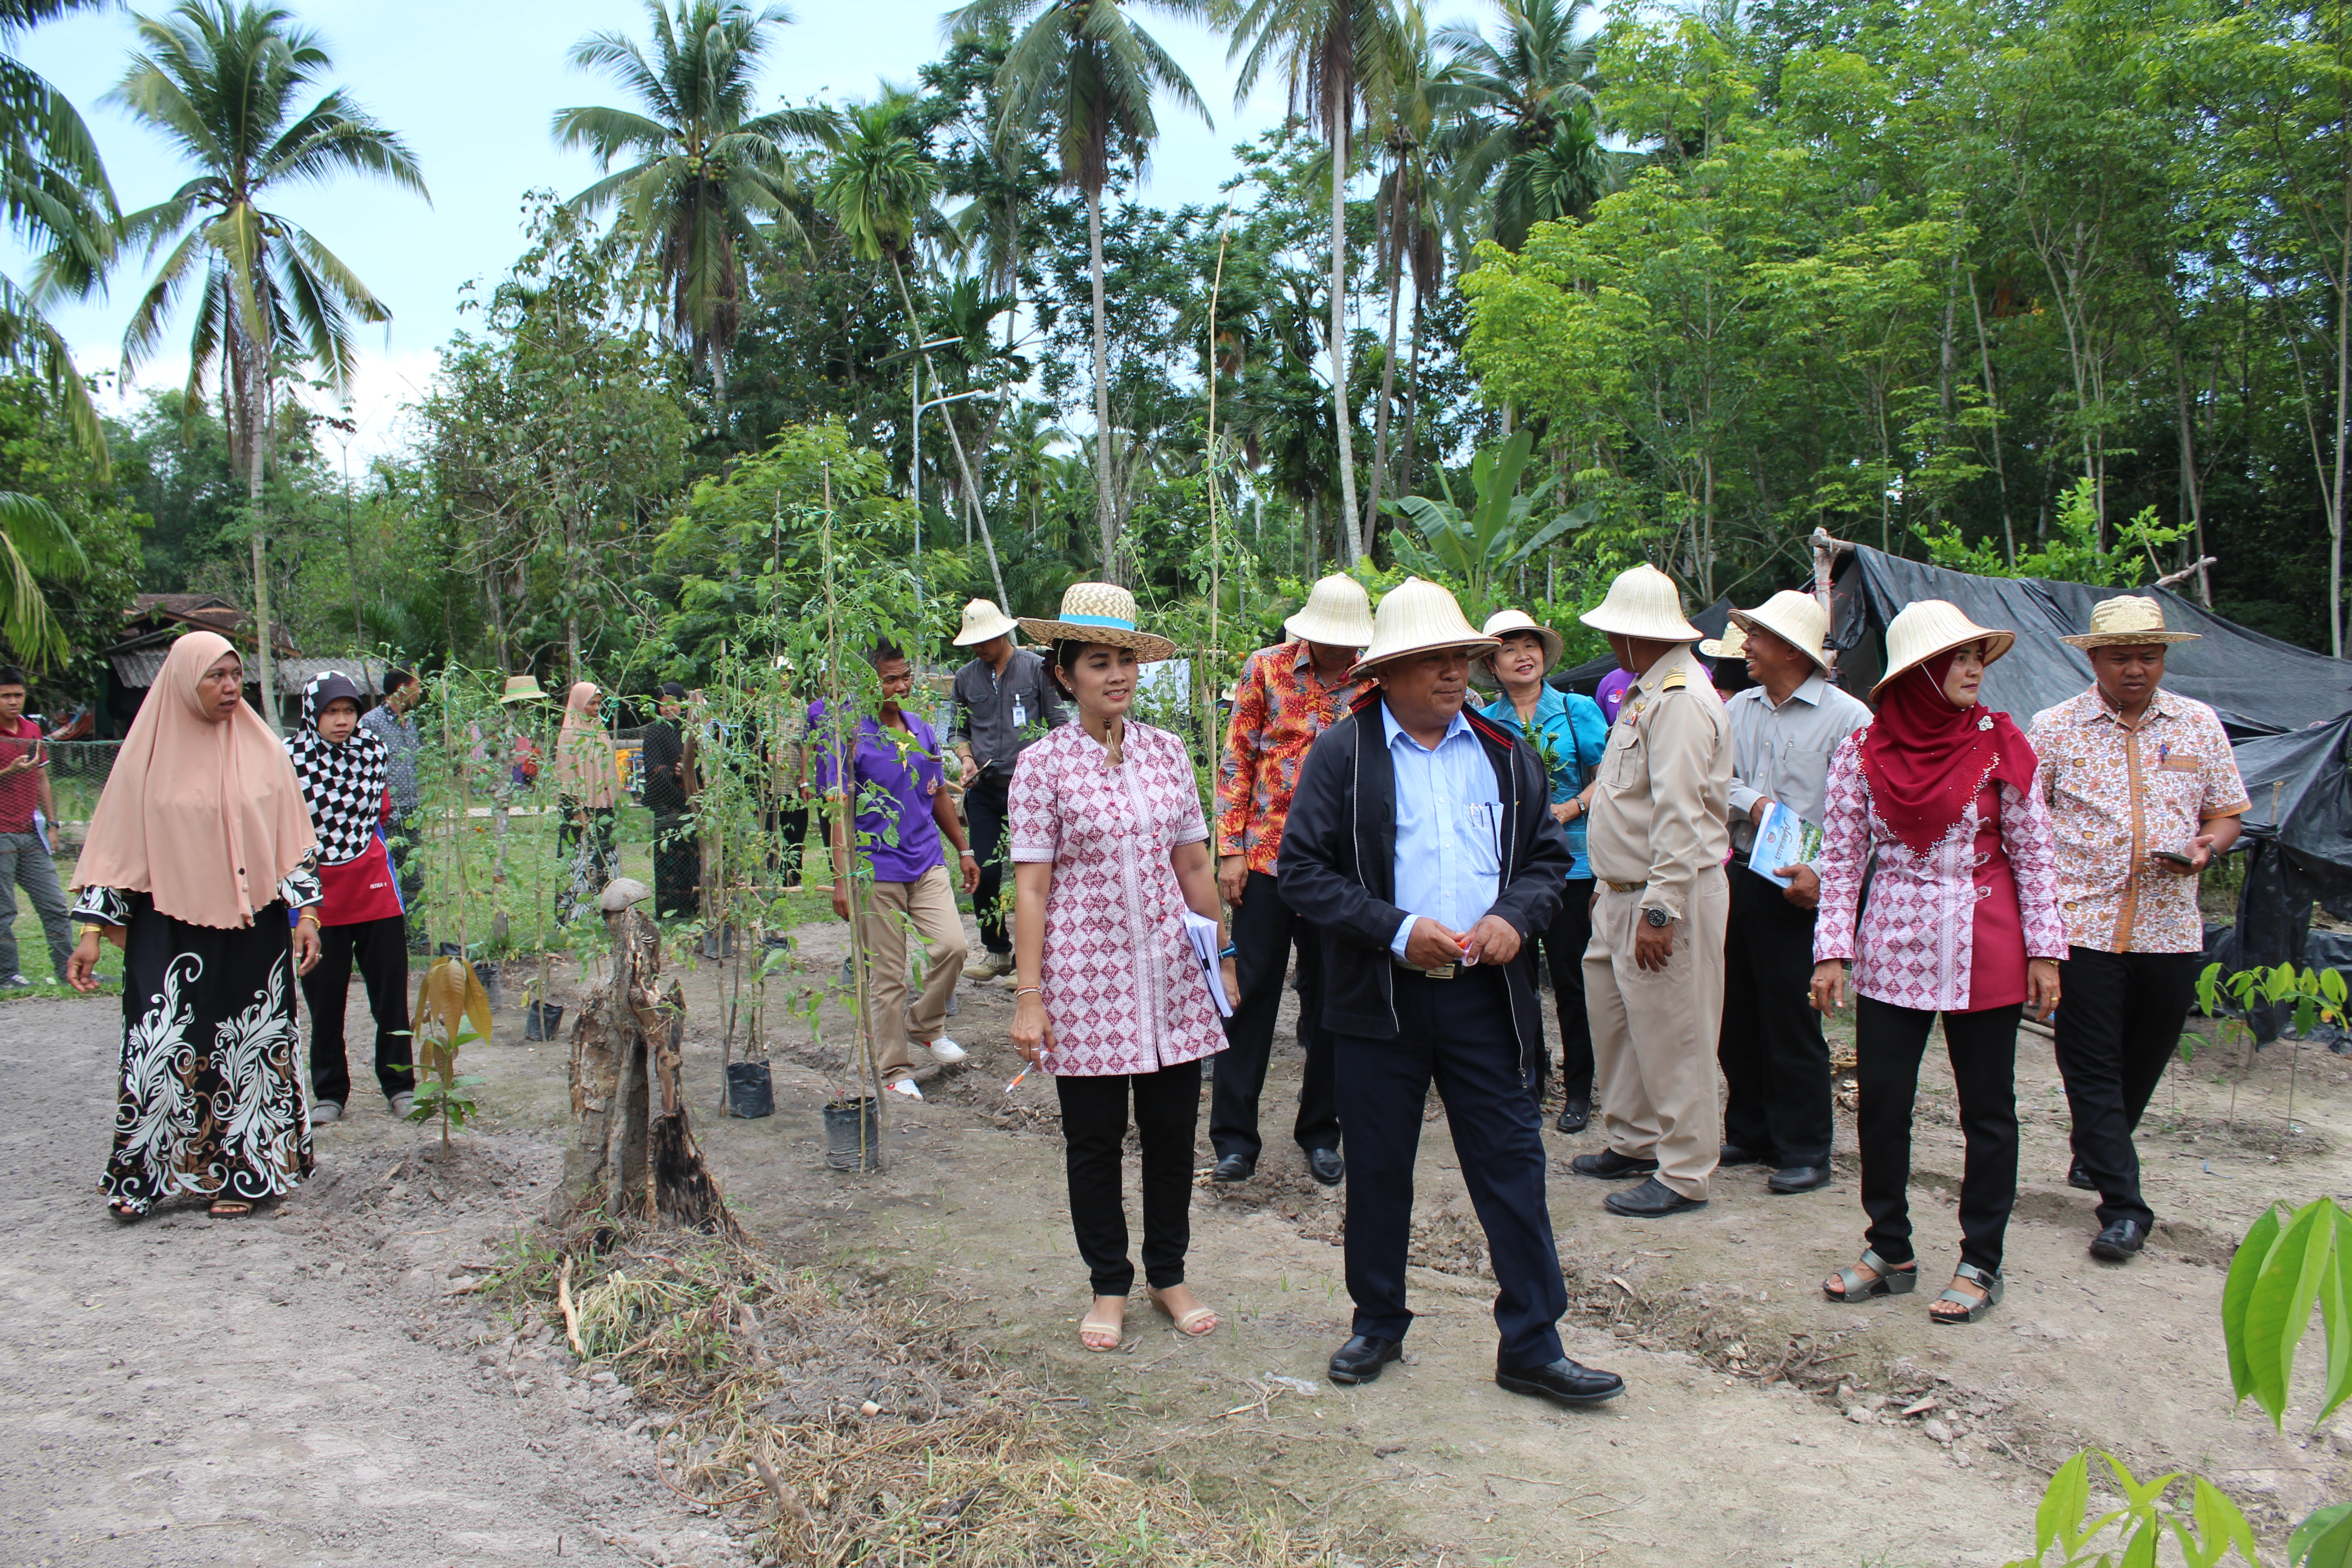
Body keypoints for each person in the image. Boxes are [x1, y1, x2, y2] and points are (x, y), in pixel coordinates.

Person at [1279, 577, 1622, 1408]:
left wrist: (1513, 915)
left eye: (1459, 658)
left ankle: (1532, 1343)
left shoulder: (1504, 755)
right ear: (1387, 672)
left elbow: (1546, 860)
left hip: (1483, 997)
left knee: (1510, 1163)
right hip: (1377, 999)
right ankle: (1377, 1321)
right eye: (1432, 659)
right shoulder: (1343, 754)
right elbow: (1300, 874)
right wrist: (1396, 928)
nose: (1452, 673)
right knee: (1380, 1166)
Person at [1811, 600, 2065, 1324]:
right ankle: (1888, 1246)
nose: (1974, 668)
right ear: (1918, 673)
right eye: (1958, 657)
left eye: (1978, 655)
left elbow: (2036, 853)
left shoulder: (2001, 742)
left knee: (1988, 1111)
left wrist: (2046, 951)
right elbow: (1841, 858)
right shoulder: (1862, 753)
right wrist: (1832, 952)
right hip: (1891, 943)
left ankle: (1982, 1259)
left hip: (1985, 941)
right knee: (1884, 1103)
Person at [1007, 583, 1232, 1353]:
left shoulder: (1167, 752)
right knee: (1094, 1141)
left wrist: (1220, 960)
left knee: (1172, 1135)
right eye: (1097, 662)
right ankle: (1108, 1282)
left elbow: (1194, 864)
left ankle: (1167, 1273)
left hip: (1170, 977)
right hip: (1083, 982)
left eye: (1125, 661)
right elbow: (1031, 887)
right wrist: (1028, 998)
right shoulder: (1041, 767)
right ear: (1064, 673)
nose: (1116, 676)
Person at [65, 632, 324, 1219]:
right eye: (216, 676)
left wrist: (306, 913)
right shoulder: (147, 757)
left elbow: (292, 845)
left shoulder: (264, 752)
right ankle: (143, 1177)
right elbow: (116, 849)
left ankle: (245, 1174)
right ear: (185, 682)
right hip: (167, 926)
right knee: (158, 1049)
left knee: (248, 1051)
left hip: (252, 930)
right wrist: (90, 933)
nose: (230, 686)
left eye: (235, 675)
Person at [2030, 595, 2249, 1262]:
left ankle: (2095, 1149)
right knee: (2090, 1068)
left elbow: (2227, 814)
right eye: (2121, 656)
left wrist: (2207, 849)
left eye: (2148, 656)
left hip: (2169, 927)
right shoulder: (2054, 728)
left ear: (2164, 659)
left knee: (2143, 1059)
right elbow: (2025, 826)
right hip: (2083, 927)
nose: (2135, 668)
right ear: (2093, 658)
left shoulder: (2197, 725)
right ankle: (2125, 1208)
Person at [1574, 566, 1733, 1219]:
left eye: (1616, 629)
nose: (1609, 639)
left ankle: (1686, 1168)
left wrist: (1661, 905)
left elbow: (1680, 812)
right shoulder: (1643, 693)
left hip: (1664, 892)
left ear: (1641, 633)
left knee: (1675, 1031)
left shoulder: (1682, 699)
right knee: (1617, 1024)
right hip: (1620, 890)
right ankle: (1636, 1140)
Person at [1209, 573, 1374, 1185]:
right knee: (1249, 994)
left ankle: (1320, 1133)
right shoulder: (1267, 668)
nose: (1336, 648)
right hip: (1266, 859)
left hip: (1341, 868)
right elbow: (1237, 759)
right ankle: (1233, 1139)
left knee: (1333, 998)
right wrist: (1230, 849)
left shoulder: (1375, 677)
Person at [1716, 591, 1872, 1194]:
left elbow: (1865, 817)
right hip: (1743, 871)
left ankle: (1806, 1146)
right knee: (1737, 1010)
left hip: (1804, 889)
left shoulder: (1849, 719)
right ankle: (1750, 1129)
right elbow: (1716, 778)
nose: (1746, 646)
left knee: (1792, 1016)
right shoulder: (1738, 712)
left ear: (1790, 650)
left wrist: (1825, 879)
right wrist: (1753, 802)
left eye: (1757, 637)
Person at [818, 641, 975, 1100]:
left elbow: (937, 795)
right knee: (888, 975)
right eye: (891, 679)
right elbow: (838, 813)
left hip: (925, 859)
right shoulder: (848, 736)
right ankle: (894, 1067)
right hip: (875, 868)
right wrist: (843, 877)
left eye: (906, 676)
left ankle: (924, 1024)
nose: (902, 686)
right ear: (869, 683)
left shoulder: (921, 730)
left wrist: (963, 849)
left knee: (952, 946)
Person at [1476, 609, 1608, 1132]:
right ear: (1492, 662)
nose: (1522, 656)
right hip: (1511, 874)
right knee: (1519, 983)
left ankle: (1580, 1088)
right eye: (1509, 649)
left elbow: (1609, 779)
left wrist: (1570, 808)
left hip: (1575, 867)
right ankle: (1529, 1082)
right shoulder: (1485, 721)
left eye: (1530, 646)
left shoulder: (1578, 711)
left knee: (1575, 983)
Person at [284, 671, 415, 1125]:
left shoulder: (373, 752)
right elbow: (284, 831)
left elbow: (378, 814)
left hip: (375, 889)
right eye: (331, 712)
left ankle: (400, 1085)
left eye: (349, 711)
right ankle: (329, 1092)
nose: (341, 721)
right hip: (315, 898)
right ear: (312, 714)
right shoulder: (288, 760)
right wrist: (301, 903)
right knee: (324, 1000)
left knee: (391, 996)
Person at [947, 598, 1065, 981]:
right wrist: (965, 758)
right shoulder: (966, 678)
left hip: (1029, 791)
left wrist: (1049, 773)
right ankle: (997, 951)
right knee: (985, 870)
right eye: (973, 643)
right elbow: (958, 730)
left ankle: (1033, 963)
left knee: (1032, 875)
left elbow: (1058, 724)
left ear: (1003, 633)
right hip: (984, 789)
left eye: (984, 641)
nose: (978, 649)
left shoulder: (1035, 670)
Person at [0, 666, 75, 987]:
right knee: (4, 912)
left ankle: (69, 970)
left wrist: (53, 825)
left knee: (55, 905)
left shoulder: (32, 731)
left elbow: (43, 778)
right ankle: (7, 975)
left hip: (30, 832)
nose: (12, 702)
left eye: (17, 695)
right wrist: (8, 771)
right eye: (5, 696)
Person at [359, 667, 423, 919]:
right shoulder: (370, 723)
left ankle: (416, 935)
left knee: (412, 875)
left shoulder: (411, 722)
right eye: (417, 685)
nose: (420, 691)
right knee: (382, 877)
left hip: (411, 813)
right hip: (384, 815)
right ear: (402, 689)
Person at [554, 681, 619, 925]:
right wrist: (577, 809)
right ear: (579, 703)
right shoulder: (570, 734)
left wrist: (615, 803)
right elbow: (566, 775)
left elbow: (609, 769)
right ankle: (575, 918)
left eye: (599, 703)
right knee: (578, 860)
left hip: (603, 807)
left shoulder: (599, 729)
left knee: (603, 861)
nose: (595, 708)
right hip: (580, 810)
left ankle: (604, 914)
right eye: (591, 703)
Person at [642, 681, 701, 921]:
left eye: (674, 705)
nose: (668, 710)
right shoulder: (655, 731)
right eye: (663, 705)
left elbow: (698, 763)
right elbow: (653, 768)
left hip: (690, 804)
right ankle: (668, 910)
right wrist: (673, 772)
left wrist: (689, 774)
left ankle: (689, 906)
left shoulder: (690, 730)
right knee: (668, 857)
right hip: (667, 803)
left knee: (690, 855)